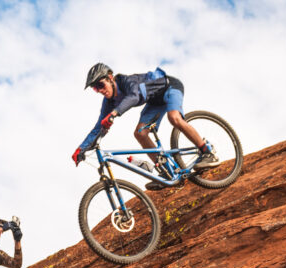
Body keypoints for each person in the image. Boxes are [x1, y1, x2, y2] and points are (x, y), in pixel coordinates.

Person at [71, 63, 220, 187]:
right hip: (155, 103)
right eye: (96, 89)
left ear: (110, 78)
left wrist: (115, 113)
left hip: (170, 87)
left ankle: (207, 151)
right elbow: (99, 127)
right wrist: (81, 148)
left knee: (174, 118)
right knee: (140, 133)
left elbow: (134, 96)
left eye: (100, 85)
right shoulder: (108, 102)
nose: (100, 91)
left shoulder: (126, 81)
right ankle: (166, 173)